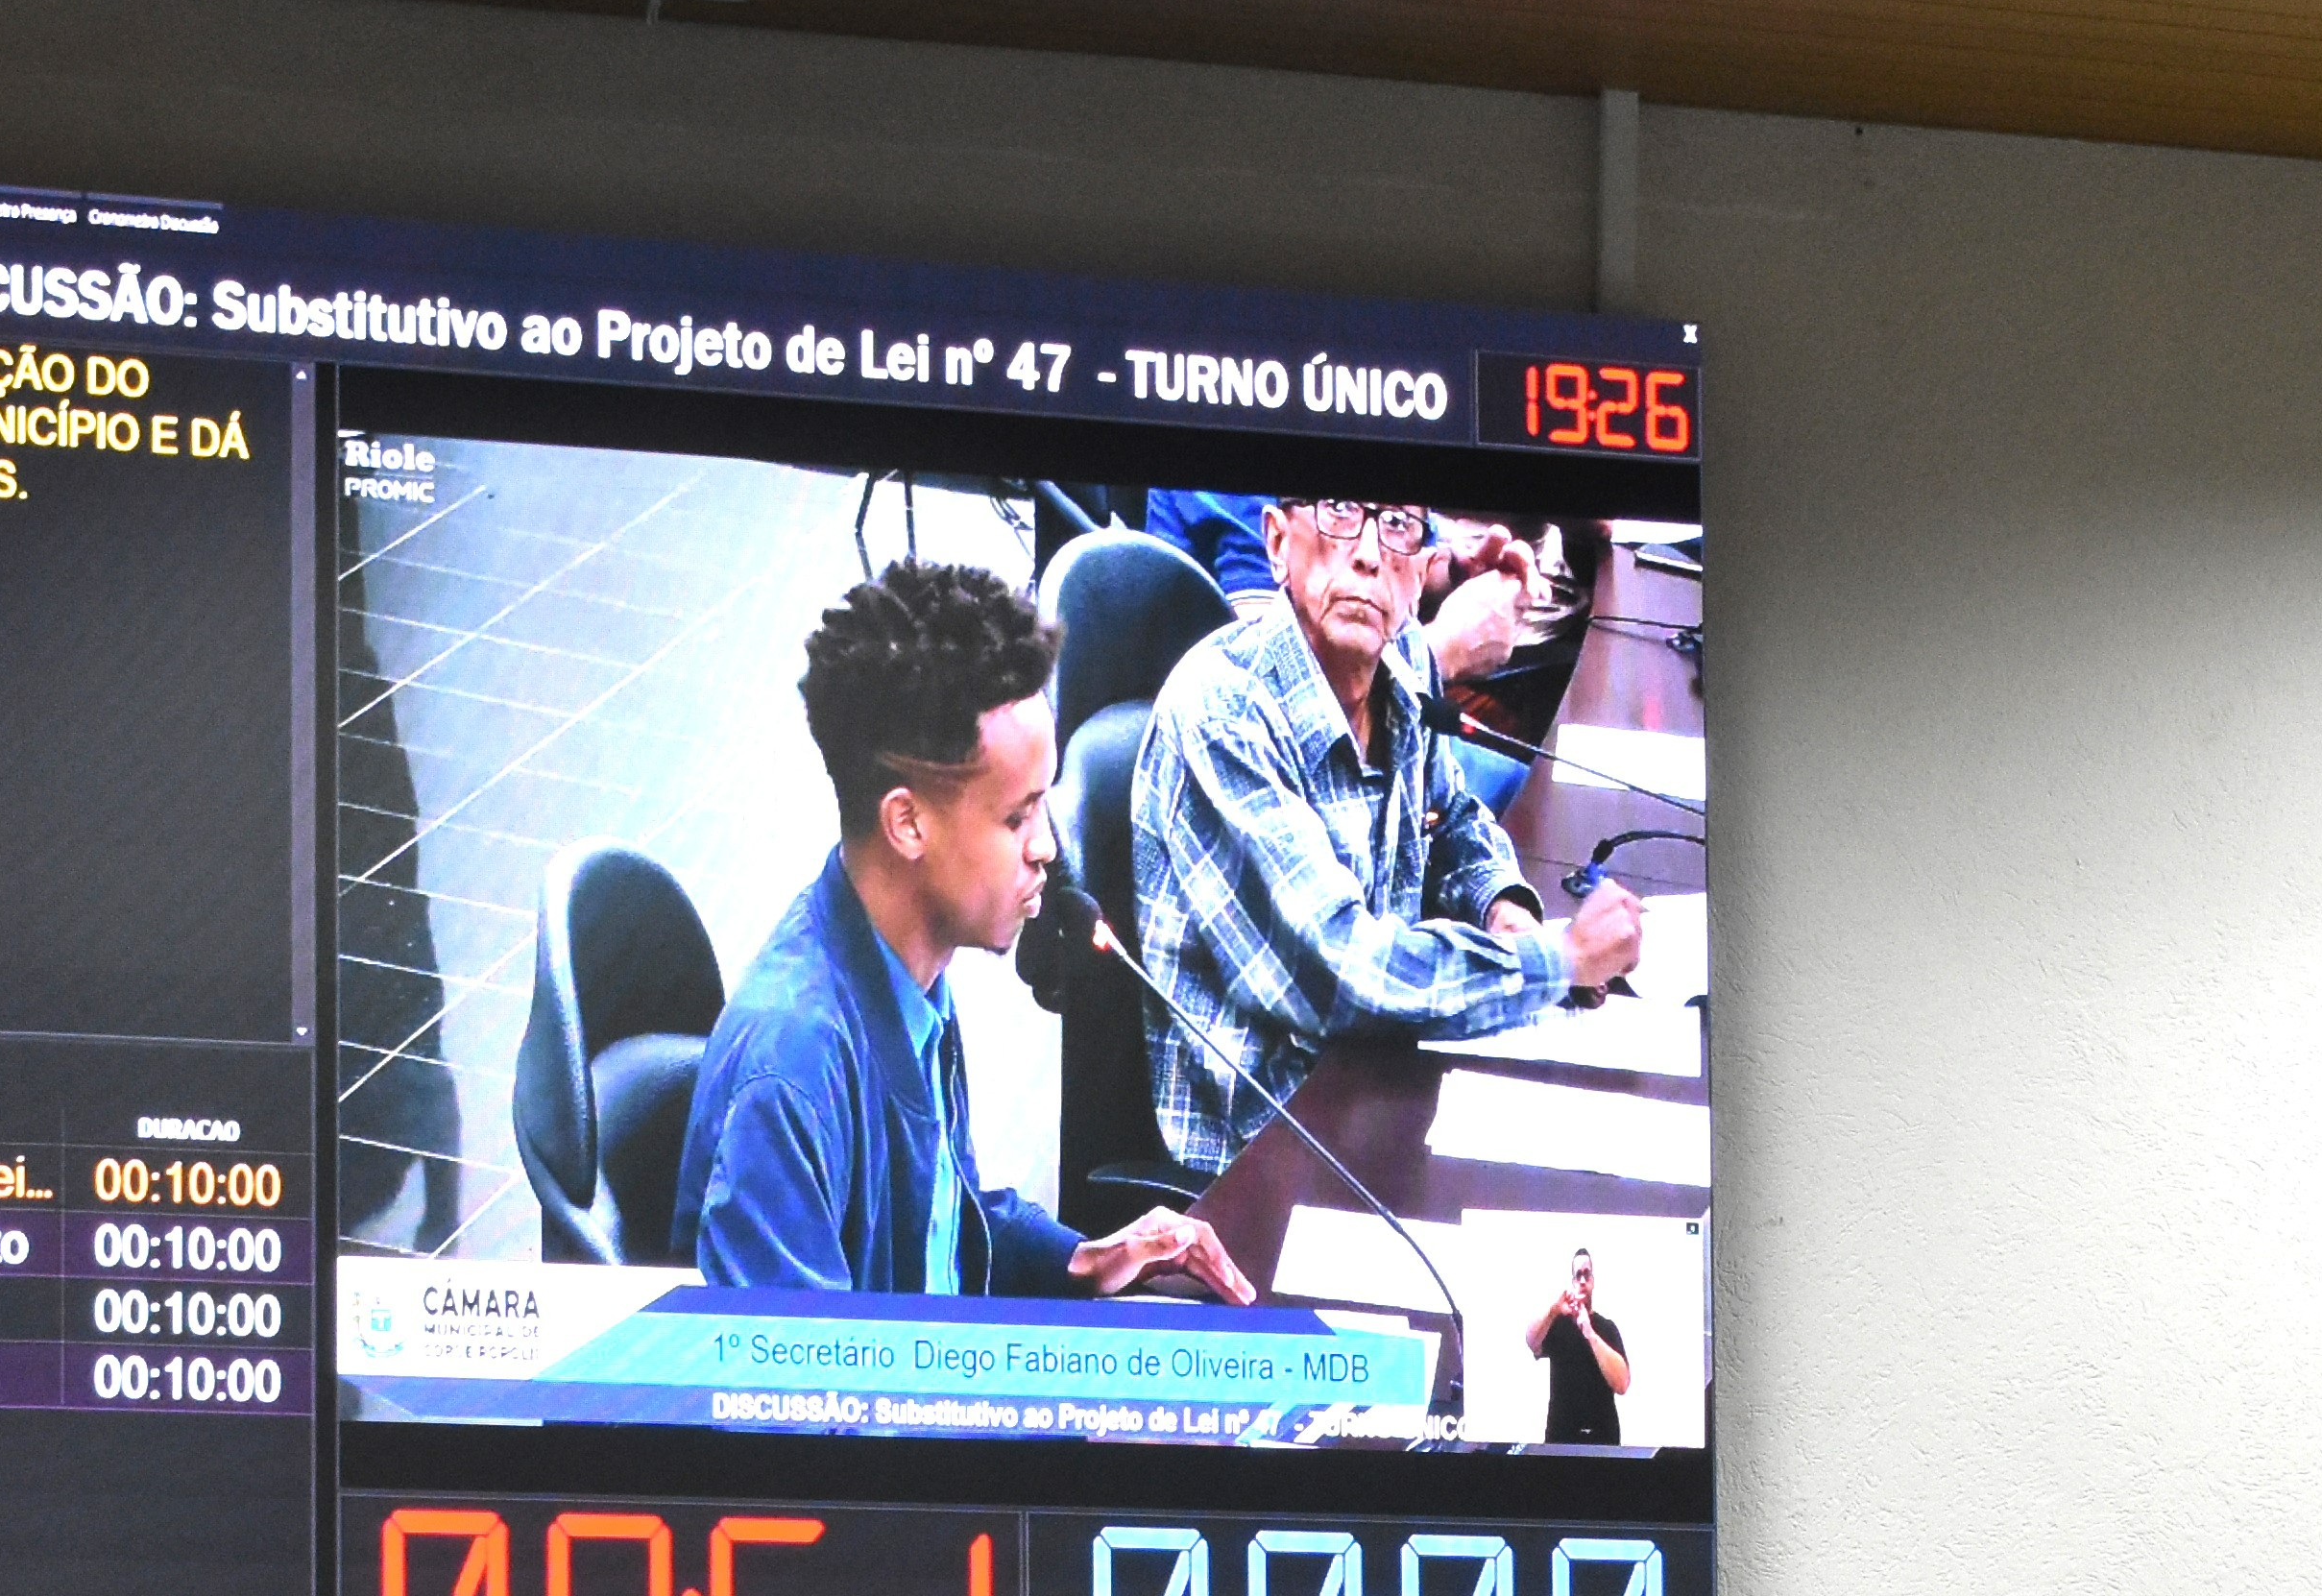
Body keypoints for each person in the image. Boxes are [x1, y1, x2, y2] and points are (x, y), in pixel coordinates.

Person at [672, 561, 1254, 1303]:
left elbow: (942, 1220)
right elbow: (801, 1373)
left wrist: (1084, 1260)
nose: (1046, 846)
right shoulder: (791, 1073)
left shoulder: (908, 971)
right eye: (1017, 817)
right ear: (908, 823)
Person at [1131, 495, 1647, 1191]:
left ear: (1420, 568)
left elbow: (1453, 816)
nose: (1370, 555)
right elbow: (1342, 972)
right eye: (1340, 512)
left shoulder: (1396, 659)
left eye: (1398, 524)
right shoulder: (1222, 712)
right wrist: (1555, 959)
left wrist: (1503, 907)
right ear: (1277, 543)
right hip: (1267, 1149)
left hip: (1382, 1076)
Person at [1526, 1245, 1633, 1445]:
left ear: (1593, 1280)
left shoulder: (1607, 1328)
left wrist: (1590, 1333)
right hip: (1561, 1438)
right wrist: (1553, 1311)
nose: (1583, 1281)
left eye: (1587, 1274)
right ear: (1572, 1282)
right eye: (1578, 1275)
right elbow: (1532, 1342)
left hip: (1603, 1439)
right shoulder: (1557, 1324)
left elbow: (1622, 1384)